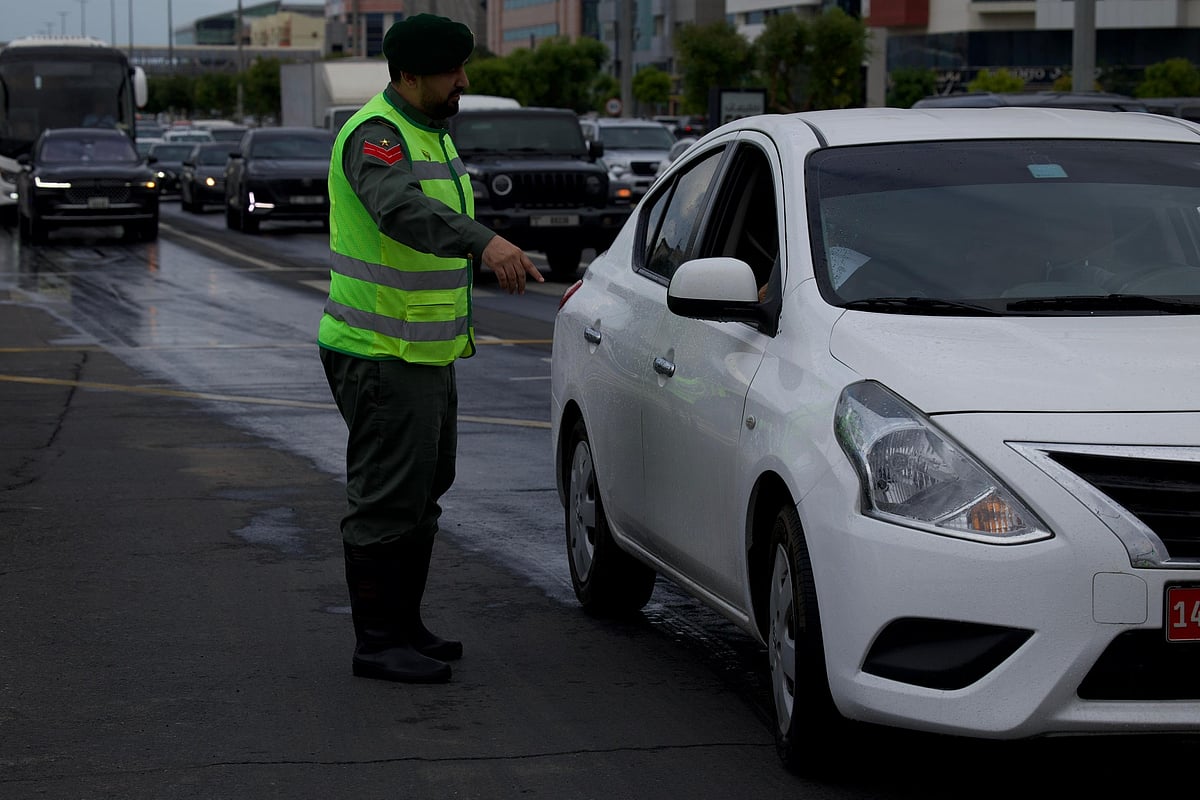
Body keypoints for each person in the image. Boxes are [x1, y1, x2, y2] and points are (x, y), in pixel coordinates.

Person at [318, 14, 543, 684]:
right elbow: (400, 210)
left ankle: (404, 626)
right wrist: (485, 242)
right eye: (452, 72)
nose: (463, 81)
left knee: (422, 493)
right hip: (381, 350)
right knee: (387, 499)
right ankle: (377, 642)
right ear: (410, 76)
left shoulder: (429, 132)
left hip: (422, 351)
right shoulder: (378, 135)